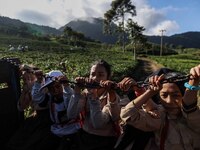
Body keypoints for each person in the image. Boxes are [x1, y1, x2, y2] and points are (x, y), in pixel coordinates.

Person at [120, 65, 200, 150]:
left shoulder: (194, 116)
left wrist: (193, 82)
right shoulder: (159, 117)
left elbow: (189, 107)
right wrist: (149, 92)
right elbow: (127, 114)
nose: (169, 101)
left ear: (184, 95)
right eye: (164, 95)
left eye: (176, 95)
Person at [68, 59, 121, 150]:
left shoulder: (111, 97)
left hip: (103, 141)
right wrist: (77, 91)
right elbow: (71, 115)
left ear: (107, 78)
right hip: (84, 136)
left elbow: (98, 124)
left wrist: (93, 96)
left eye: (101, 75)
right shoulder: (85, 93)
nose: (95, 78)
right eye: (92, 74)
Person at [31, 70, 81, 150]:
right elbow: (37, 98)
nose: (55, 90)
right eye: (51, 88)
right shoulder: (50, 98)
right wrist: (38, 82)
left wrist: (66, 86)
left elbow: (71, 103)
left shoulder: (69, 95)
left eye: (58, 86)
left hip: (73, 130)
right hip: (57, 130)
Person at [6, 64, 52, 150]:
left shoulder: (43, 85)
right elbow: (21, 107)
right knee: (17, 141)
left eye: (29, 78)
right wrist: (24, 92)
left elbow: (43, 103)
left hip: (46, 118)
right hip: (35, 118)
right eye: (24, 79)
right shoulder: (27, 89)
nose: (27, 81)